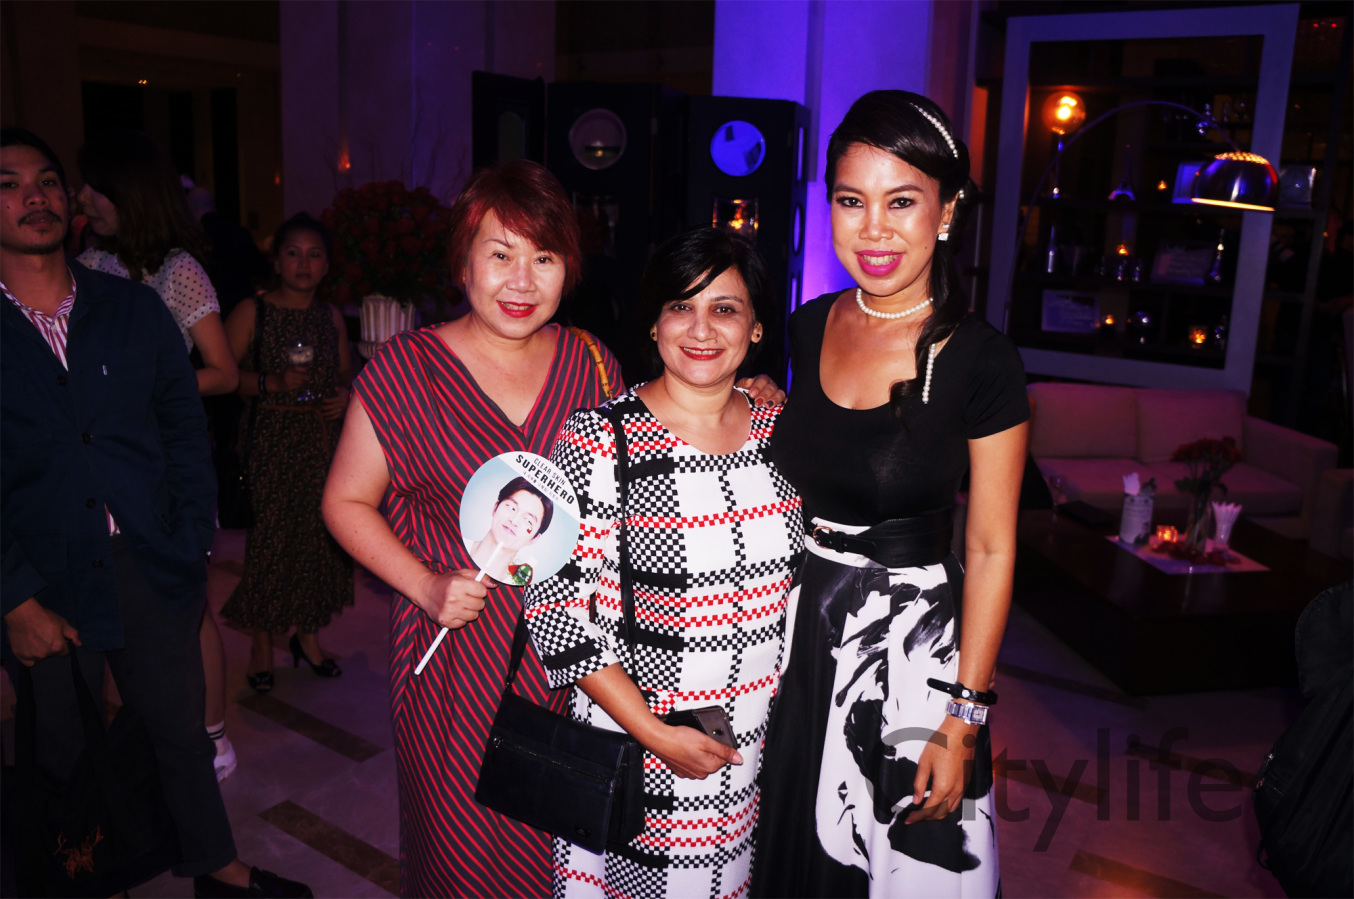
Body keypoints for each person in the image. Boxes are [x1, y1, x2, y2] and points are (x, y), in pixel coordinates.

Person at [0, 127, 310, 898]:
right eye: (7, 184)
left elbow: (180, 427)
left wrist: (190, 539)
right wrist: (14, 597)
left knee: (179, 727)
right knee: (63, 743)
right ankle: (81, 876)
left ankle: (217, 866)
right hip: (41, 573)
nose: (34, 195)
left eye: (46, 179)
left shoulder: (131, 306)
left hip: (145, 556)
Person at [750, 91, 1029, 897]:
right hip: (802, 632)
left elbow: (990, 546)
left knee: (906, 864)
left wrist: (964, 715)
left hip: (913, 652)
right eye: (851, 201)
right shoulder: (808, 325)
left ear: (947, 212)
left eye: (901, 201)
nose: (873, 229)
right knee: (803, 848)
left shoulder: (981, 360)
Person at [522, 227, 803, 898]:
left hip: (758, 743)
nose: (701, 328)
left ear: (757, 328)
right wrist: (654, 733)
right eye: (681, 306)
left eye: (725, 308)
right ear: (654, 323)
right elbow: (554, 611)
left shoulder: (787, 434)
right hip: (639, 742)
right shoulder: (598, 439)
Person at [74, 130, 241, 782]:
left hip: (168, 464)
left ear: (130, 192)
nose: (82, 197)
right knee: (122, 600)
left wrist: (140, 389)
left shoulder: (177, 270)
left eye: (95, 186)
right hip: (105, 466)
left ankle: (214, 735)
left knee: (186, 603)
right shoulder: (87, 264)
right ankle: (140, 733)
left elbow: (224, 371)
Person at [222, 213, 353, 691]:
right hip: (270, 441)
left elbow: (345, 372)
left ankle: (309, 638)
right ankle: (262, 644)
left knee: (320, 542)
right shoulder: (252, 311)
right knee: (271, 544)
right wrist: (269, 382)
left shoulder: (329, 316)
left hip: (320, 442)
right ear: (276, 261)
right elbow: (220, 375)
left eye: (314, 254)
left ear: (326, 266)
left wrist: (345, 395)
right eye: (293, 253)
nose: (303, 263)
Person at [467, 477, 554, 586]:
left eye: (528, 520)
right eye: (512, 508)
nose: (514, 521)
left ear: (534, 539)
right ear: (495, 507)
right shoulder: (452, 543)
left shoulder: (520, 588)